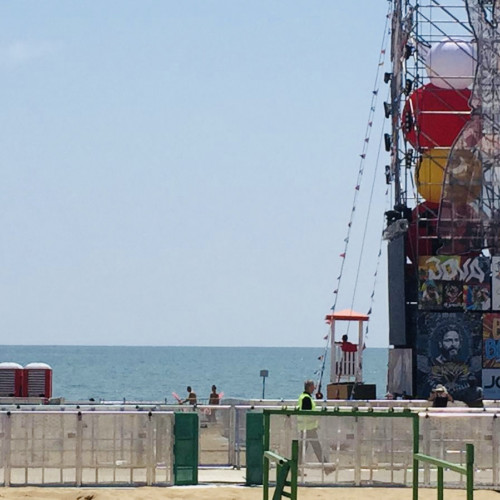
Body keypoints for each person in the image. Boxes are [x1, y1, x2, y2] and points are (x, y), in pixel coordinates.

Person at [297, 380, 335, 474]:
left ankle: (295, 468)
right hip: (308, 428)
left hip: (306, 427)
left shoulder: (303, 397)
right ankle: (326, 467)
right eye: (313, 386)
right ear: (309, 387)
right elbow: (308, 414)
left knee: (303, 450)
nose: (314, 388)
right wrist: (317, 417)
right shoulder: (306, 399)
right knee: (315, 448)